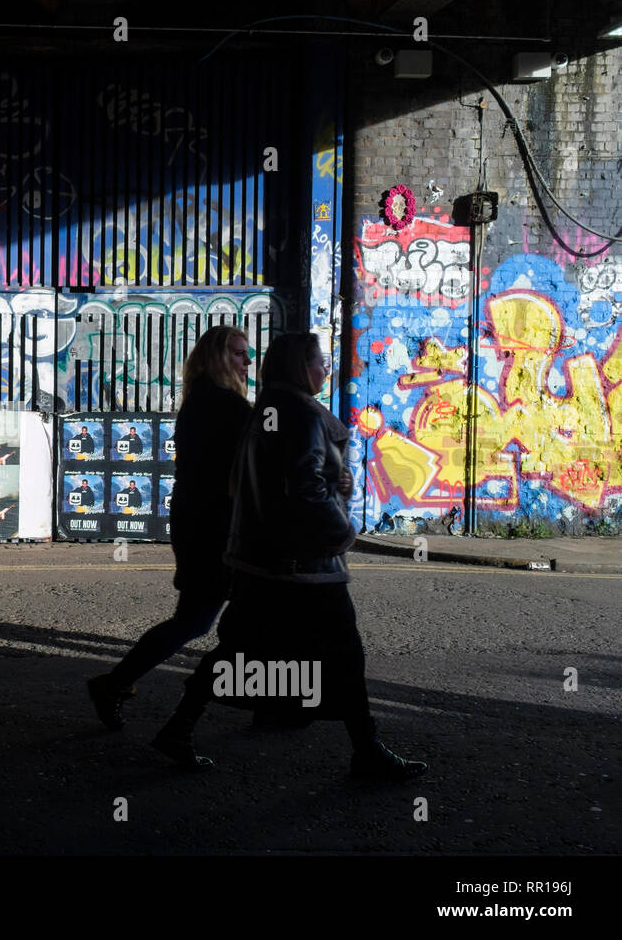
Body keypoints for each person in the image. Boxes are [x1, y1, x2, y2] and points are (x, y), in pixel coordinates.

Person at [151, 333, 427, 780]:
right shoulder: (299, 413)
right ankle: (366, 749)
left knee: (242, 646)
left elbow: (274, 478)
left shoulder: (268, 409)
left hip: (261, 560)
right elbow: (303, 488)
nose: (324, 369)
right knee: (344, 652)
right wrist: (343, 532)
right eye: (319, 362)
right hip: (304, 564)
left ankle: (180, 725)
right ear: (301, 366)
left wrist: (333, 479)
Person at [87, 325, 253, 729]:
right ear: (217, 358)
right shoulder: (227, 405)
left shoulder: (200, 399)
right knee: (201, 619)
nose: (248, 361)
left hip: (198, 520)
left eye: (247, 353)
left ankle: (120, 685)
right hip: (217, 526)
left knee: (216, 617)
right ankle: (131, 692)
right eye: (238, 353)